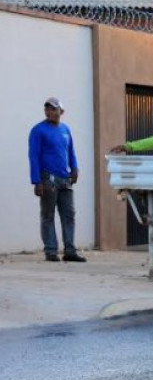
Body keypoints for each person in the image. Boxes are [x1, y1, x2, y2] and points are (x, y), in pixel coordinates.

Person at [29, 97, 86, 262]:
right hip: (48, 178)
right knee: (48, 215)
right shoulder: (38, 130)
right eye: (47, 109)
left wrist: (74, 168)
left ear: (61, 111)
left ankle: (70, 251)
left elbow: (71, 151)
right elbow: (33, 156)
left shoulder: (65, 129)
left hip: (65, 178)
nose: (50, 112)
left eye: (53, 109)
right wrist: (36, 181)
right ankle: (51, 251)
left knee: (69, 214)